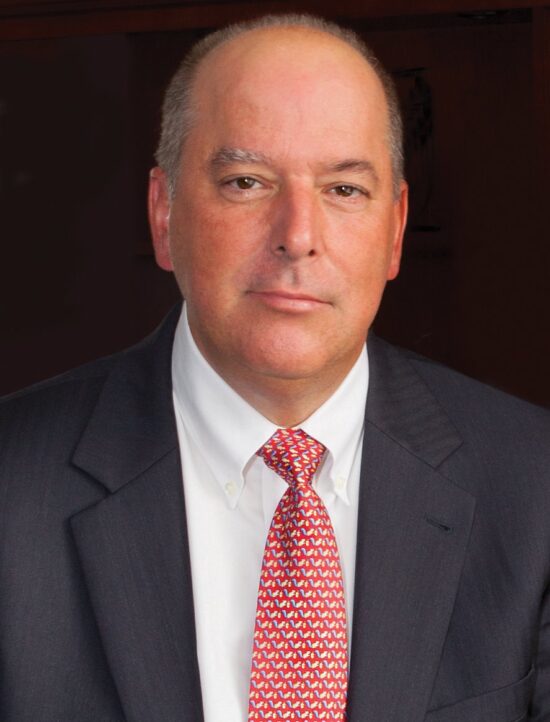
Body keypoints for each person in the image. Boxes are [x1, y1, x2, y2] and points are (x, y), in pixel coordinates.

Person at [1, 13, 549, 722]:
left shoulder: (535, 487)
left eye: (344, 190)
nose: (297, 236)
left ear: (396, 230)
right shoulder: (13, 487)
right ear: (164, 214)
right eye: (246, 182)